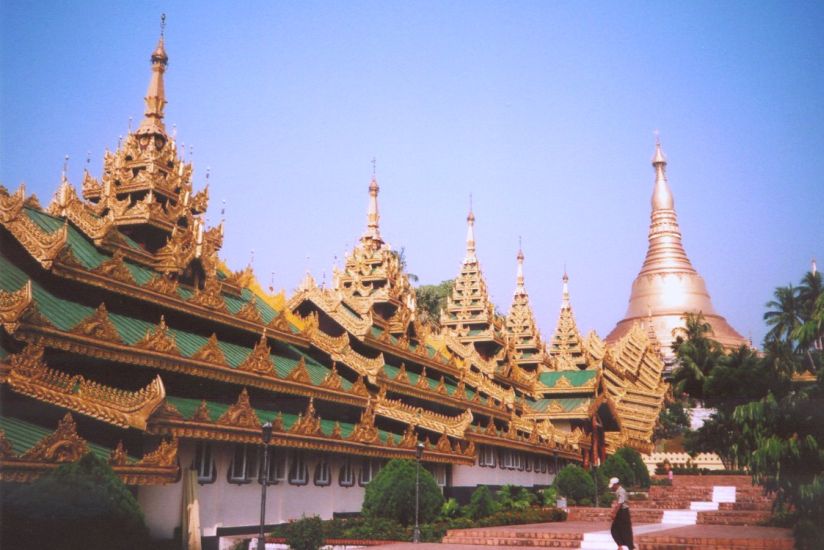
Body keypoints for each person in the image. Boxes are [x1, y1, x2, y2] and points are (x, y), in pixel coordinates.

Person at [609, 477, 634, 550]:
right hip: (620, 512)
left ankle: (630, 547)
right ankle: (620, 546)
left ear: (616, 484)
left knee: (626, 530)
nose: (612, 488)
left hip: (623, 512)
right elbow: (618, 503)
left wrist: (614, 513)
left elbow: (620, 503)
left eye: (613, 485)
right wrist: (614, 511)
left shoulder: (621, 491)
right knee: (615, 529)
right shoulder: (618, 491)